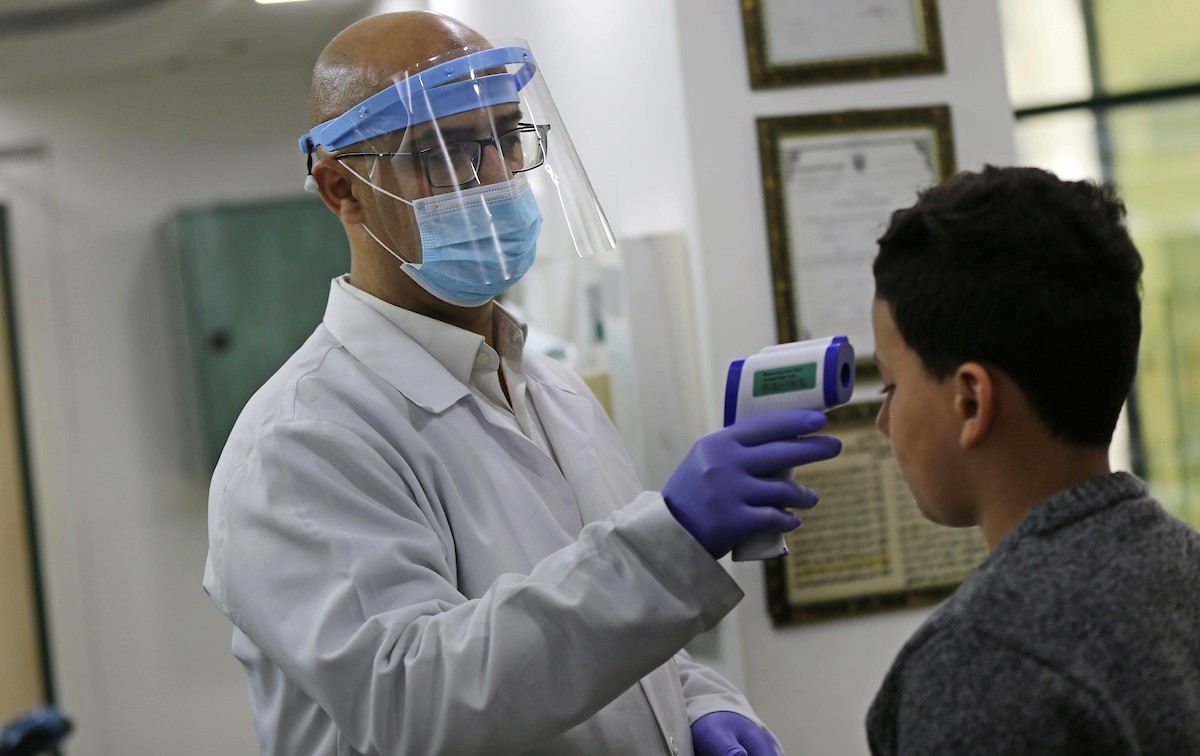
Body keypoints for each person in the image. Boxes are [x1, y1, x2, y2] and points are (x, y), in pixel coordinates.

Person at [202, 10, 842, 755]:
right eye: (444, 152)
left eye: (506, 136)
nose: (495, 176)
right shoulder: (299, 443)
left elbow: (603, 638)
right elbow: (413, 703)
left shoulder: (555, 391)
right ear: (342, 188)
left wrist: (697, 705)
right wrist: (671, 541)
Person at [865, 164, 1200, 754]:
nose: (883, 421)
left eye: (891, 385)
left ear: (971, 401)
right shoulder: (1186, 567)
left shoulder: (977, 665)